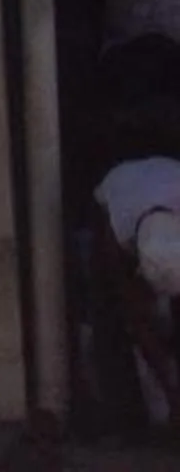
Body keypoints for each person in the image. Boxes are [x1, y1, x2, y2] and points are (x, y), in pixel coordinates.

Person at [95, 137, 180, 426]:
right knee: (128, 319)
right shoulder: (117, 227)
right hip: (118, 191)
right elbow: (131, 305)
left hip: (164, 181)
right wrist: (172, 392)